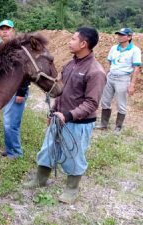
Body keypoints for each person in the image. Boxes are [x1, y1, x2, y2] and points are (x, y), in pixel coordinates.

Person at [24, 27, 106, 204]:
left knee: (74, 154)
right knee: (48, 149)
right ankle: (40, 178)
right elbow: (61, 92)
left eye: (73, 39)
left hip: (79, 122)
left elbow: (92, 103)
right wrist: (53, 111)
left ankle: (71, 189)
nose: (69, 41)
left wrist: (68, 115)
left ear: (83, 44)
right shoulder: (70, 64)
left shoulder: (96, 71)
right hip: (59, 117)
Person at [95, 28, 141, 133]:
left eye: (122, 35)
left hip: (123, 79)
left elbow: (136, 68)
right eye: (118, 34)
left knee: (121, 103)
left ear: (129, 37)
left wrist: (132, 84)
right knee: (105, 101)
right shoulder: (114, 48)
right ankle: (103, 124)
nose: (119, 36)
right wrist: (104, 76)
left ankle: (118, 126)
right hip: (111, 77)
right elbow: (109, 63)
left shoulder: (135, 50)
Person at [0, 19, 30, 160]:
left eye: (7, 28)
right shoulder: (2, 47)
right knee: (8, 121)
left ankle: (15, 153)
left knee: (11, 123)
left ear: (13, 30)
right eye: (2, 29)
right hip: (6, 90)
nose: (5, 31)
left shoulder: (19, 48)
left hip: (17, 90)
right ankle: (10, 148)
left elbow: (27, 71)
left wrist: (21, 92)